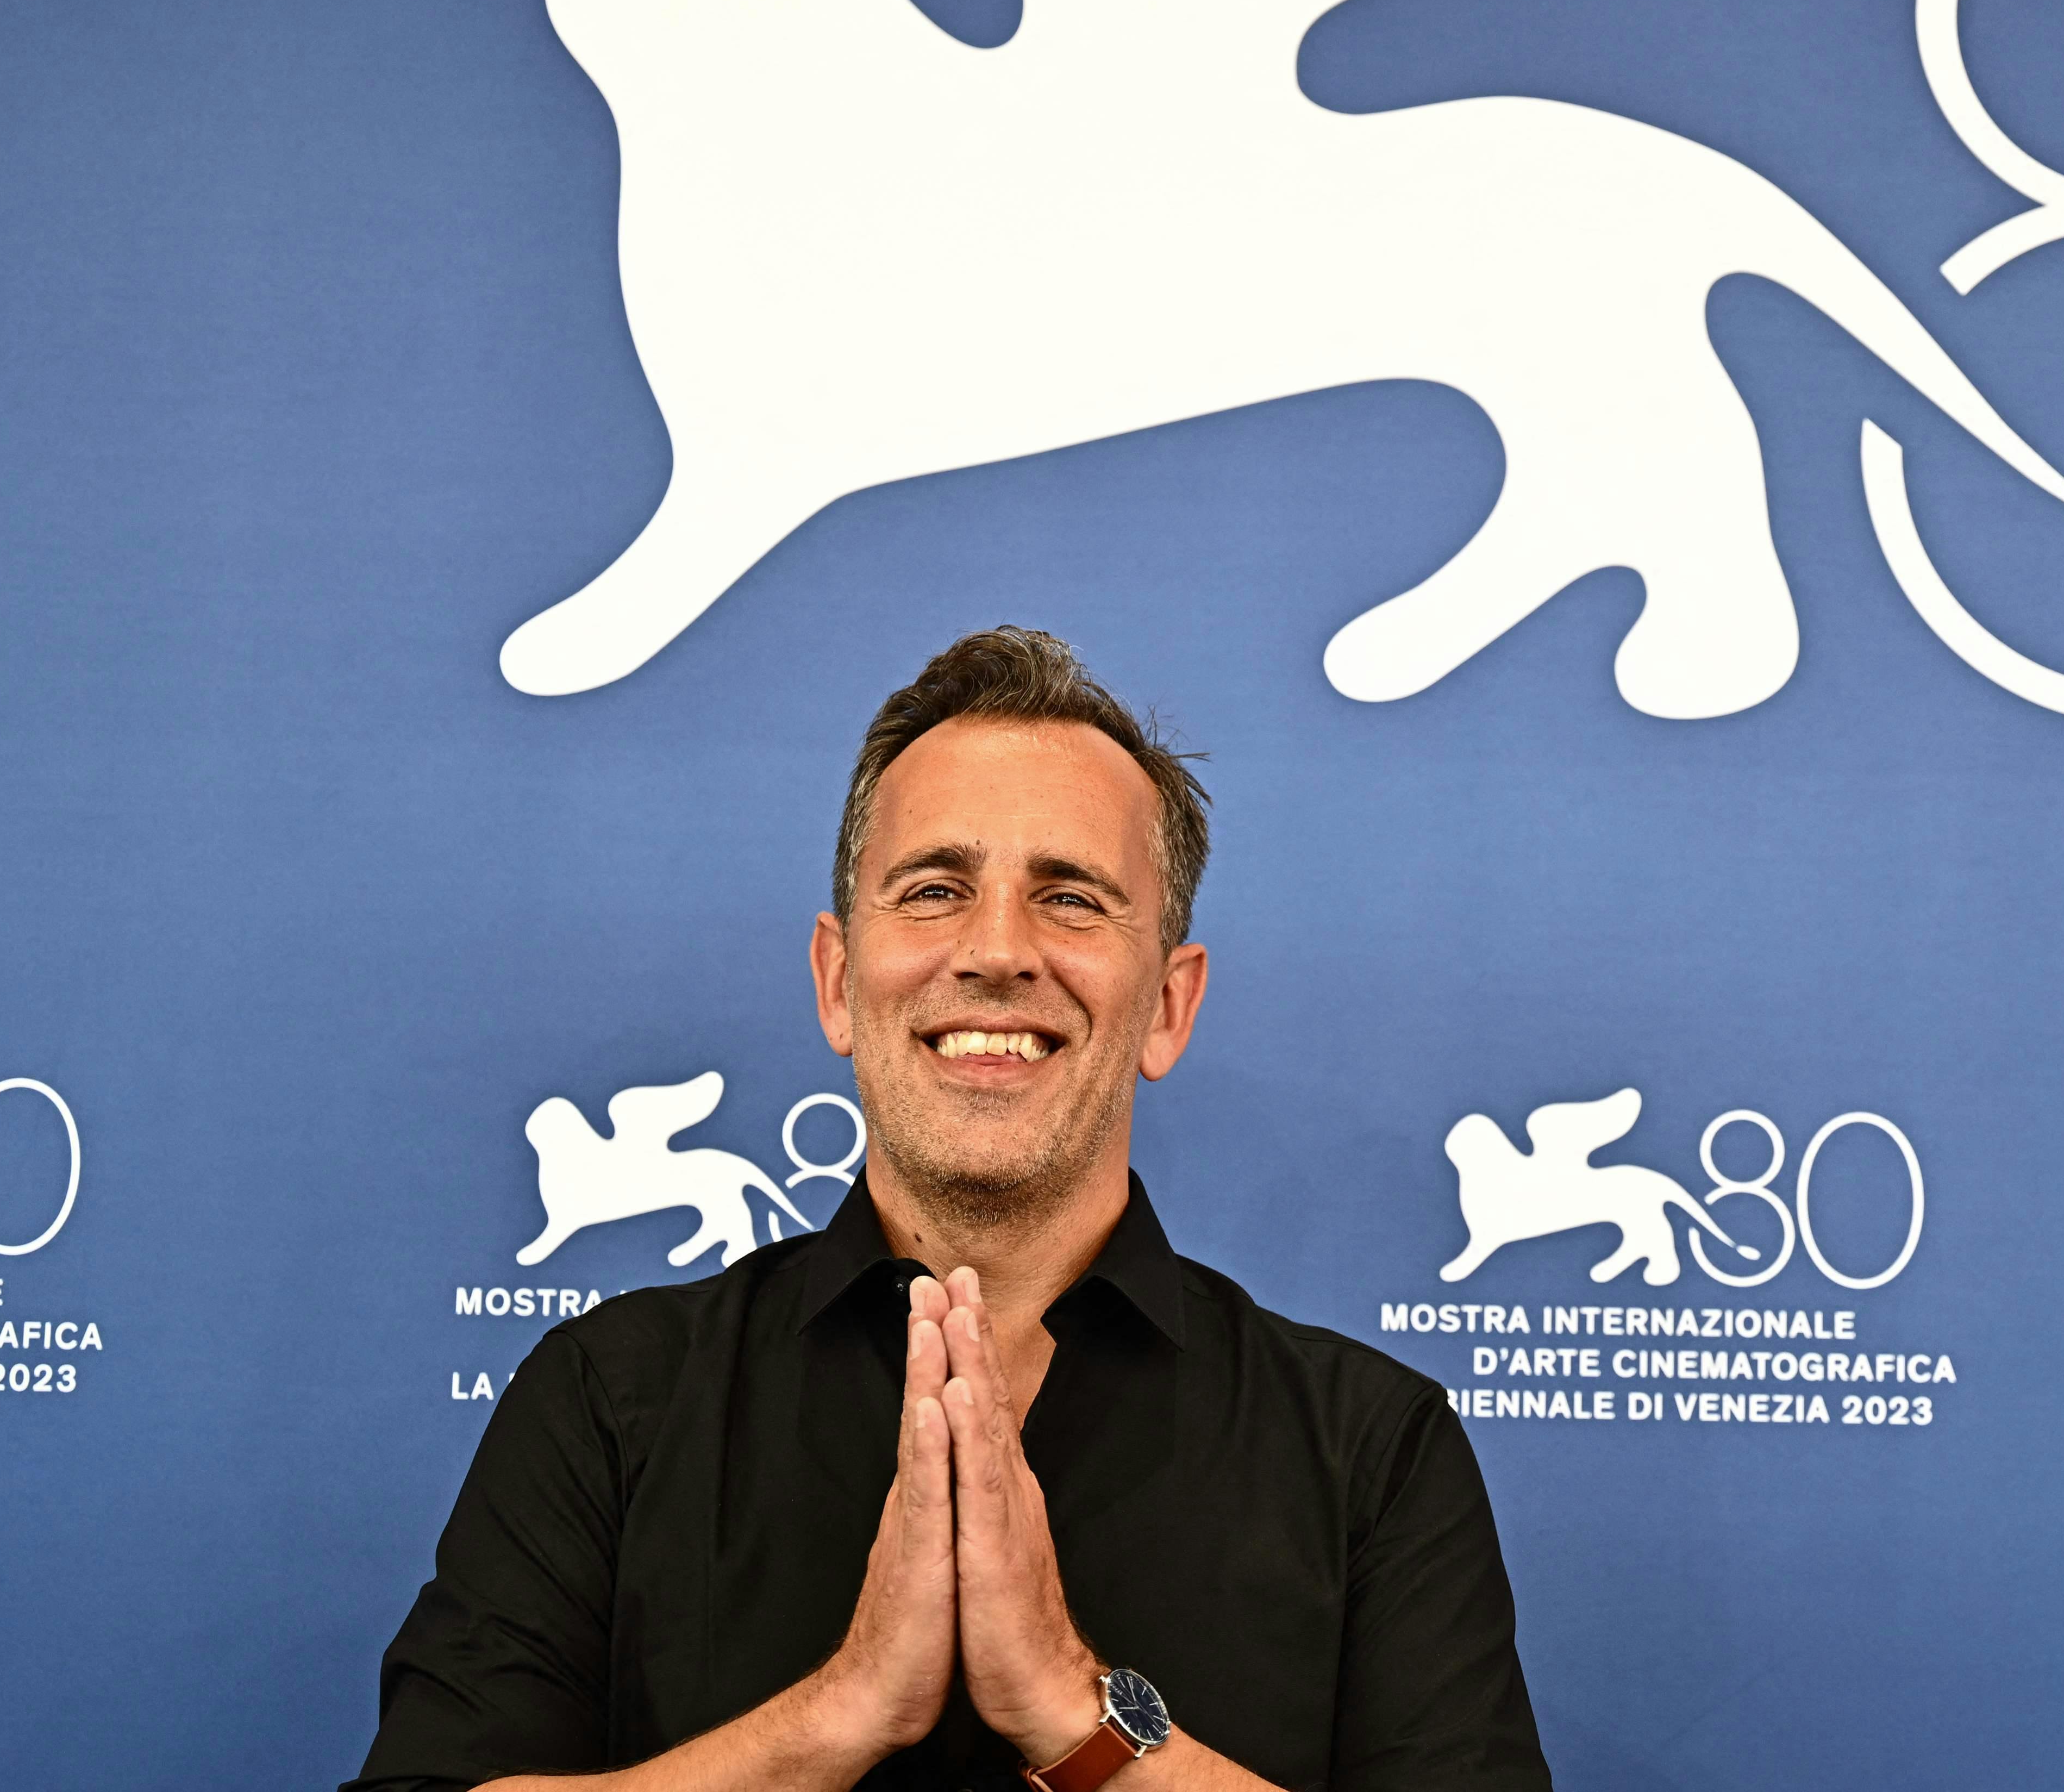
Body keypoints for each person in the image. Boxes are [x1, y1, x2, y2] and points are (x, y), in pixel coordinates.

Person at [349, 629, 1549, 1792]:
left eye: (1072, 899)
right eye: (934, 889)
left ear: (1170, 1008)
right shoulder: (611, 1401)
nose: (995, 950)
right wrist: (847, 1709)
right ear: (836, 981)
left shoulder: (1371, 1452)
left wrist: (1079, 1719)